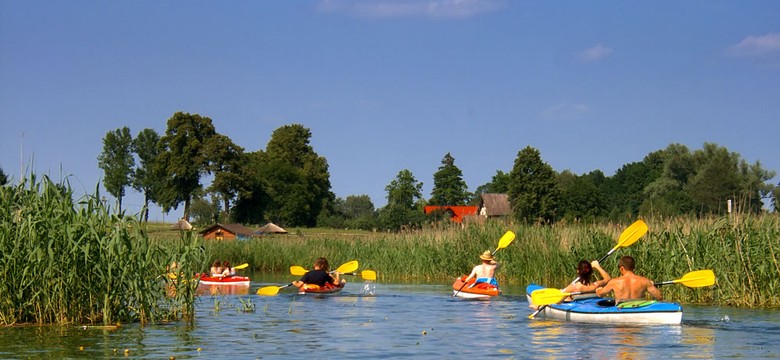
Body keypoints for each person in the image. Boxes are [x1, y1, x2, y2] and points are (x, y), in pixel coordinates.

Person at [595, 255, 662, 303]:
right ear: (633, 267)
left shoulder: (614, 282)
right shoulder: (645, 281)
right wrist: (651, 284)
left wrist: (598, 290)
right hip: (639, 309)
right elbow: (659, 297)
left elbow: (600, 294)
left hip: (621, 309)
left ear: (621, 268)